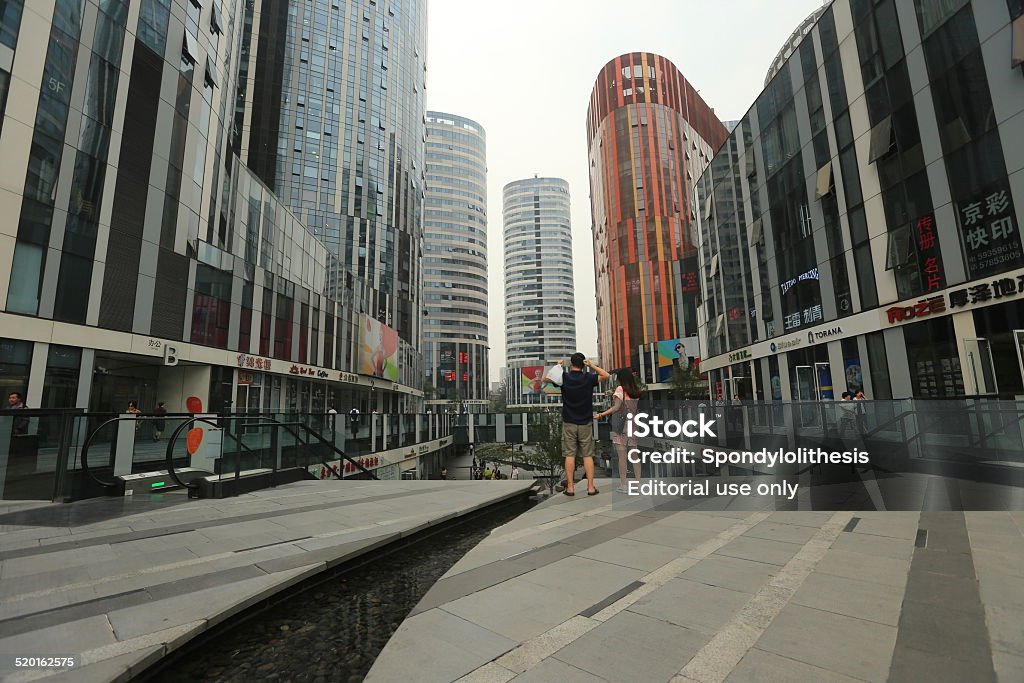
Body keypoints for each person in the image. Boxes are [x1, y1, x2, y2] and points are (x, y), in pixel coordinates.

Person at [544, 353, 610, 496]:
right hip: (586, 421)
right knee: (587, 455)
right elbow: (606, 375)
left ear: (571, 364)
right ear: (583, 364)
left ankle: (570, 488)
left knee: (569, 455)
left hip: (569, 421)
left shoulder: (564, 377)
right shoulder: (588, 378)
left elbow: (545, 378)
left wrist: (558, 366)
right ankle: (591, 487)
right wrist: (591, 366)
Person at [595, 369, 642, 493]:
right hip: (633, 425)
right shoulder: (635, 390)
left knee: (622, 457)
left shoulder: (620, 389)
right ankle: (638, 484)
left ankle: (624, 485)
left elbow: (616, 408)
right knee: (634, 456)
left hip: (621, 425)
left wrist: (601, 414)